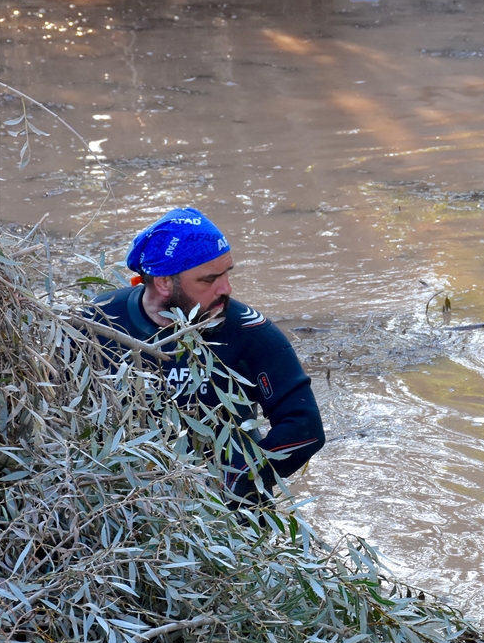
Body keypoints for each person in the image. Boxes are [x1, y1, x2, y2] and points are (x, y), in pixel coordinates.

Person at [91, 207, 325, 505]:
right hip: (124, 503)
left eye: (227, 273)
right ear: (164, 282)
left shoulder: (249, 332)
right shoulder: (97, 321)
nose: (226, 288)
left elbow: (304, 426)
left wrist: (239, 484)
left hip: (224, 520)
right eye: (208, 279)